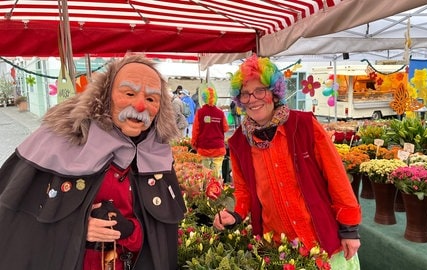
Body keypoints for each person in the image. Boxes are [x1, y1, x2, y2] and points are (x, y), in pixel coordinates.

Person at [0, 55, 186, 270]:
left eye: (152, 99)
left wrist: (130, 230)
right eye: (129, 93)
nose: (140, 105)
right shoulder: (58, 141)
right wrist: (77, 228)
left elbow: (160, 236)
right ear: (105, 95)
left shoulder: (155, 154)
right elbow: (20, 223)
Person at [213, 55, 361, 269]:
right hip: (279, 250)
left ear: (274, 93)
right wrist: (235, 215)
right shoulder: (238, 143)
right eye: (245, 94)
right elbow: (243, 191)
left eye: (260, 90)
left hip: (322, 241)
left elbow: (336, 176)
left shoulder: (304, 125)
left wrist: (349, 229)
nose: (252, 99)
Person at [191, 83, 229, 179]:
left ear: (203, 98)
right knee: (217, 175)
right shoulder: (220, 113)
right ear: (215, 98)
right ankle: (217, 191)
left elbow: (195, 131)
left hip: (203, 149)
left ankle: (207, 192)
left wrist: (194, 144)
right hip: (218, 149)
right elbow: (225, 128)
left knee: (205, 175)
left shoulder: (200, 113)